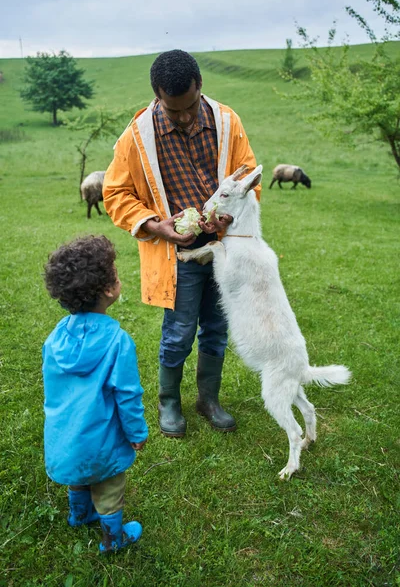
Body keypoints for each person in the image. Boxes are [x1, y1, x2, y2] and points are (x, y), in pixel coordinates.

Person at [103, 49, 261, 439]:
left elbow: (247, 176)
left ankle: (208, 399)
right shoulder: (136, 137)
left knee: (217, 327)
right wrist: (158, 226)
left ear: (200, 86)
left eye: (189, 106)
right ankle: (168, 402)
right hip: (179, 254)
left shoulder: (227, 121)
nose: (185, 117)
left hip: (225, 249)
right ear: (157, 96)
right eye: (173, 111)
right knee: (178, 332)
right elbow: (116, 193)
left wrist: (233, 212)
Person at [42, 235, 148, 553]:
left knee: (79, 474)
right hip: (102, 441)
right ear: (108, 290)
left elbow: (54, 389)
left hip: (66, 436)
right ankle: (113, 539)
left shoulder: (54, 338)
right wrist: (137, 433)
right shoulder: (117, 341)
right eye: (114, 273)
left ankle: (79, 514)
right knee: (109, 487)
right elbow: (128, 395)